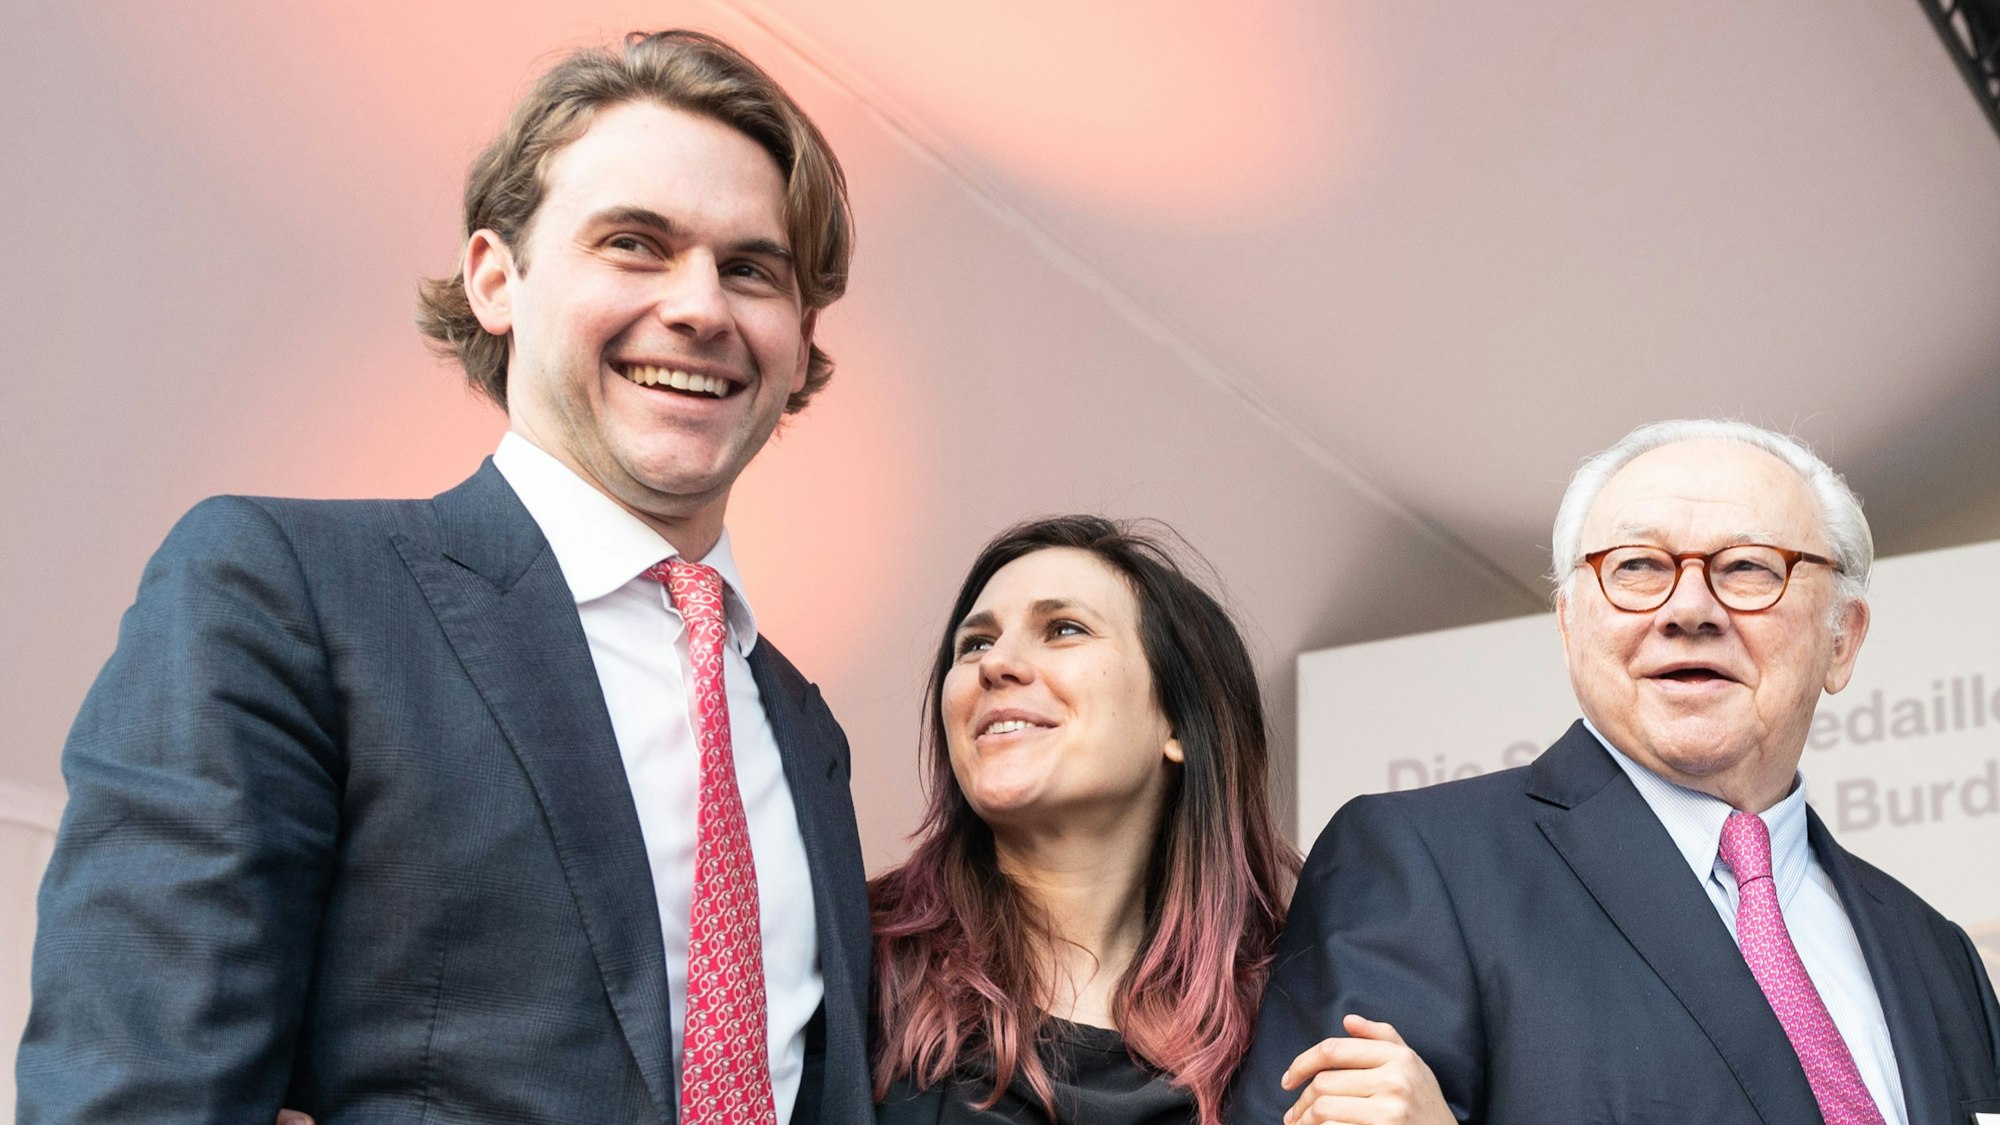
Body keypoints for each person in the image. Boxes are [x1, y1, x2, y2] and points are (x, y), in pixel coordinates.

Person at [19, 30, 873, 1125]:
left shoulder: (805, 731)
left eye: (750, 268)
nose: (702, 307)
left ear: (800, 342)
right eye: (634, 243)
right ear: (495, 279)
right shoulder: (283, 591)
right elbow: (137, 1094)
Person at [1231, 419, 2000, 1123]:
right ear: (1570, 626)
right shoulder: (1421, 864)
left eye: (1748, 567)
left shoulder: (1938, 954)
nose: (1689, 608)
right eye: (1636, 566)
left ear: (1843, 638)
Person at [869, 516, 1453, 1125]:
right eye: (975, 644)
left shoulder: (1293, 1024)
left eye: (1064, 629)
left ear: (1176, 722)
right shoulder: (857, 965)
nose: (998, 665)